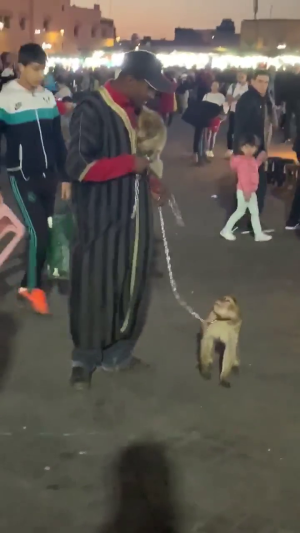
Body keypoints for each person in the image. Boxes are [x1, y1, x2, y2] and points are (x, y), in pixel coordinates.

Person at [66, 50, 172, 389]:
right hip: (100, 217)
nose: (153, 95)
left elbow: (143, 159)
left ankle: (118, 353)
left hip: (136, 218)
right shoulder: (91, 109)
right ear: (129, 80)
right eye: (150, 88)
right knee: (96, 283)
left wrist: (153, 181)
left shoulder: (139, 113)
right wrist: (130, 164)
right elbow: (78, 166)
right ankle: (84, 359)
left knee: (132, 281)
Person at [0, 43, 69, 314]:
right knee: (38, 231)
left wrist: (65, 177)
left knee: (46, 231)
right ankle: (32, 287)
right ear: (21, 67)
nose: (41, 75)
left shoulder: (47, 97)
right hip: (22, 177)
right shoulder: (5, 97)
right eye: (36, 69)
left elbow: (57, 141)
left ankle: (29, 281)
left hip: (49, 176)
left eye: (44, 69)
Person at [229, 69, 270, 233]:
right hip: (250, 151)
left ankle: (247, 222)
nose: (264, 85)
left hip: (252, 150)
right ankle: (249, 224)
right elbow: (242, 128)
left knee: (251, 187)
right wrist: (249, 151)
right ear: (252, 81)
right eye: (260, 81)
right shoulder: (249, 100)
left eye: (266, 82)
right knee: (253, 186)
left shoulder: (258, 99)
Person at [220, 135, 272, 242]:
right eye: (247, 147)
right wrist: (247, 192)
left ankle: (258, 234)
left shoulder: (248, 159)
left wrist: (259, 160)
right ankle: (226, 230)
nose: (250, 149)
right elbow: (244, 177)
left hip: (248, 191)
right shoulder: (244, 161)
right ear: (241, 147)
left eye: (253, 147)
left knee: (253, 212)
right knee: (241, 211)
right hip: (245, 191)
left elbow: (253, 167)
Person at [225, 70, 248, 158]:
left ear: (246, 76)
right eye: (239, 76)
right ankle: (230, 149)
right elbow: (228, 98)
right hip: (234, 111)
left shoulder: (249, 87)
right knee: (231, 130)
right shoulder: (233, 86)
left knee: (245, 131)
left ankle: (243, 149)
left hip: (246, 112)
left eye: (242, 76)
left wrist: (238, 98)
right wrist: (236, 98)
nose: (240, 78)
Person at [202, 80, 226, 158]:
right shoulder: (207, 95)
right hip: (207, 116)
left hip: (216, 117)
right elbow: (203, 105)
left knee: (213, 134)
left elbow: (224, 107)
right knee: (207, 133)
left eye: (216, 86)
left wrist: (221, 116)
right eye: (213, 85)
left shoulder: (221, 96)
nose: (214, 87)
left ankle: (210, 150)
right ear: (211, 86)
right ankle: (206, 149)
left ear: (218, 87)